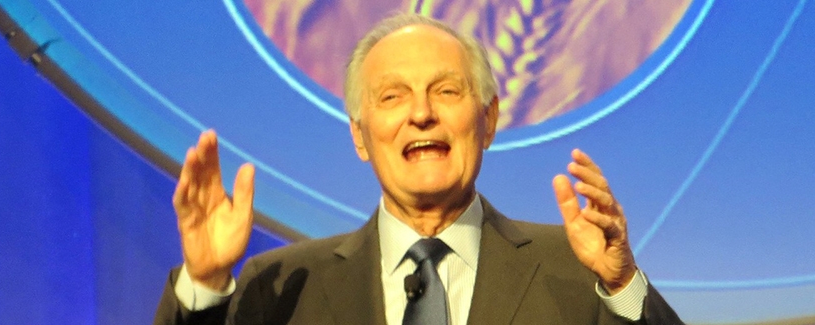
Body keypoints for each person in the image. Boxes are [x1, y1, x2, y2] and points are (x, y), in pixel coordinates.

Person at [154, 13, 682, 325]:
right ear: (360, 135)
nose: (421, 112)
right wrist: (203, 282)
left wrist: (621, 284)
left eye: (447, 91)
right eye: (392, 96)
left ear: (489, 120)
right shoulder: (283, 287)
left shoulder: (579, 272)